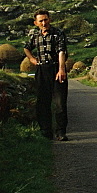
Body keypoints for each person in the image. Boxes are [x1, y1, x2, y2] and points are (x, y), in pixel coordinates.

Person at [24, 9, 70, 141]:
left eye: (46, 19)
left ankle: (60, 132)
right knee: (42, 102)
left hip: (56, 68)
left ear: (49, 19)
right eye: (41, 21)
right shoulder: (35, 35)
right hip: (41, 70)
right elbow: (26, 47)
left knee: (60, 102)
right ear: (36, 23)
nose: (44, 23)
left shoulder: (58, 33)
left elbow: (62, 51)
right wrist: (32, 59)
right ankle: (45, 131)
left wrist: (61, 70)